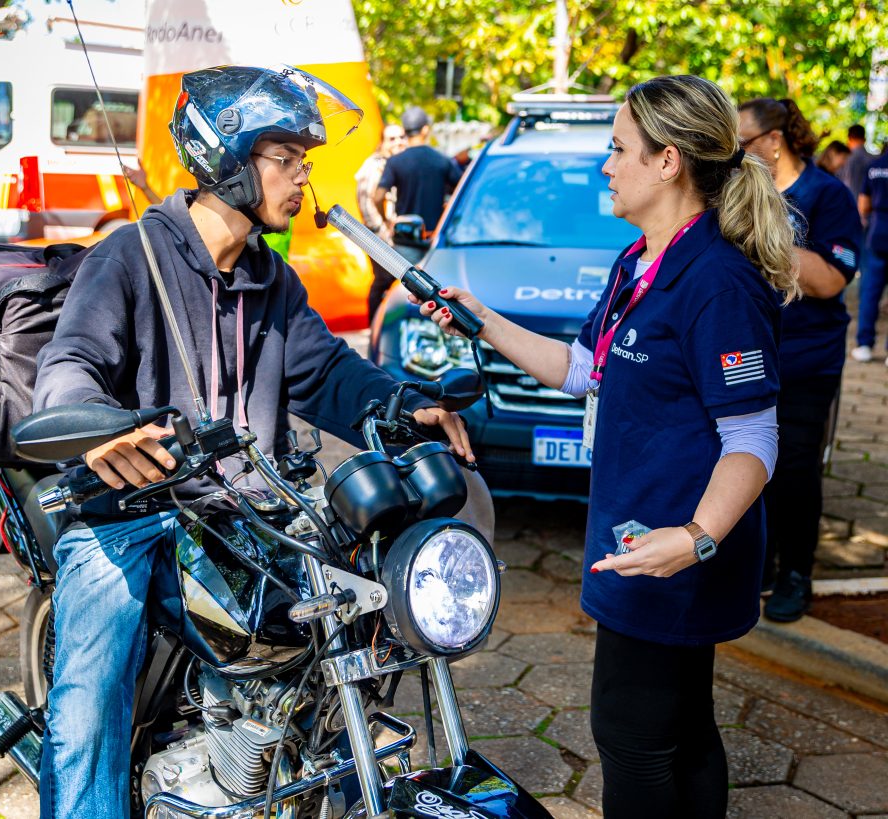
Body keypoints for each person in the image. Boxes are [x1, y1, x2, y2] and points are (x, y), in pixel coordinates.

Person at [32, 65, 476, 819]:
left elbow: (326, 371)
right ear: (227, 160)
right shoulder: (130, 256)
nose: (303, 177)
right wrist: (100, 427)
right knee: (90, 698)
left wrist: (405, 405)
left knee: (351, 634)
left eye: (304, 160)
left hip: (248, 514)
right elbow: (69, 366)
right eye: (286, 158)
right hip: (132, 513)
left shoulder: (273, 278)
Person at [415, 75, 796, 819]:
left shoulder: (717, 281)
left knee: (632, 737)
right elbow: (582, 368)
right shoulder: (640, 261)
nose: (606, 166)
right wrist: (481, 319)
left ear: (668, 161)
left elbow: (753, 436)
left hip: (671, 552)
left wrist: (695, 537)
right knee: (680, 729)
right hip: (642, 539)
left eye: (619, 150)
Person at [738, 97, 862, 622]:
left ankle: (796, 572)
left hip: (806, 361)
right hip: (746, 357)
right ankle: (761, 564)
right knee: (749, 465)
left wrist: (765, 235)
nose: (735, 153)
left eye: (743, 142)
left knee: (794, 467)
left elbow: (832, 280)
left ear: (774, 140)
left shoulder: (826, 195)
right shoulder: (740, 190)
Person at [373, 106, 461, 263]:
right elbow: (462, 191)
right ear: (425, 130)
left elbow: (378, 197)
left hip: (405, 239)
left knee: (408, 278)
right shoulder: (442, 160)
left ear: (405, 131)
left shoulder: (395, 162)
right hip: (434, 238)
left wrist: (386, 220)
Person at [355, 123, 406, 321]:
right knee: (383, 279)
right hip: (377, 233)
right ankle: (375, 326)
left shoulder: (393, 163)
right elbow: (367, 200)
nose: (398, 142)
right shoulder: (376, 164)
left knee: (388, 279)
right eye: (392, 139)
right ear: (382, 143)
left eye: (401, 137)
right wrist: (380, 229)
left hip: (385, 232)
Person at [854, 150, 888, 365]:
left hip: (878, 231)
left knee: (870, 292)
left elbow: (863, 205)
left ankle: (864, 345)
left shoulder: (875, 166)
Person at [838, 123, 876, 201]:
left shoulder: (842, 160)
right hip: (869, 204)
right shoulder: (875, 160)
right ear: (864, 139)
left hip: (847, 203)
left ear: (849, 139)